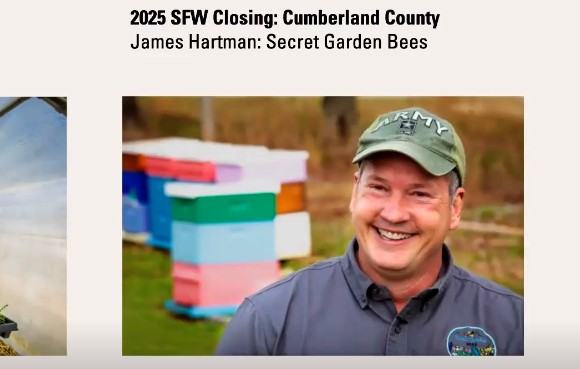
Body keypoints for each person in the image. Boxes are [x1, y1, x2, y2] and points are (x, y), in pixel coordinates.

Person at [216, 107, 523, 356]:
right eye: (378, 188)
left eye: (419, 194)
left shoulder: (514, 329)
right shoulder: (268, 320)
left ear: (455, 207)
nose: (393, 213)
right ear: (355, 192)